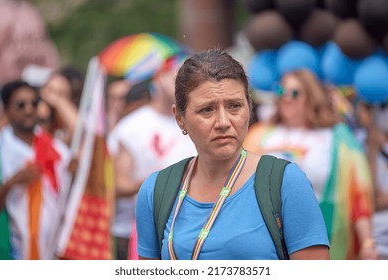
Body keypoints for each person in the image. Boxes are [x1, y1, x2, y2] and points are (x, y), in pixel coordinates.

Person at [135, 49, 329, 260]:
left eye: (234, 106)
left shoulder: (285, 182)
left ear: (249, 107)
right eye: (207, 110)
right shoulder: (157, 190)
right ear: (180, 118)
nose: (223, 122)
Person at [244, 69, 378, 260]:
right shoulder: (258, 135)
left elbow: (359, 196)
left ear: (311, 95)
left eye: (295, 93)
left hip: (321, 237)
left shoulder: (337, 137)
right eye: (282, 91)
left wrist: (367, 243)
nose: (287, 98)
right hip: (265, 237)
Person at [107, 55, 197, 260]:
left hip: (186, 229)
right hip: (135, 232)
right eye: (175, 77)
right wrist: (165, 180)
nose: (181, 84)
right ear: (158, 78)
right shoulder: (131, 127)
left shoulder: (193, 122)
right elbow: (117, 185)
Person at [0, 80, 70, 259]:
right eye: (21, 105)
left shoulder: (55, 149)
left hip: (53, 251)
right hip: (12, 251)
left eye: (34, 103)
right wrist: (12, 183)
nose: (29, 110)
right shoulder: (1, 148)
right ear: (6, 109)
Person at [355, 101, 388, 259]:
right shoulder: (354, 144)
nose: (362, 112)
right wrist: (372, 151)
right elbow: (371, 198)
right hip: (372, 242)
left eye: (369, 108)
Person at [38, 65, 84, 145]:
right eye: (49, 90)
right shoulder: (33, 110)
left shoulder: (63, 127)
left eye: (60, 93)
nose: (51, 97)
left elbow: (79, 129)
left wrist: (59, 101)